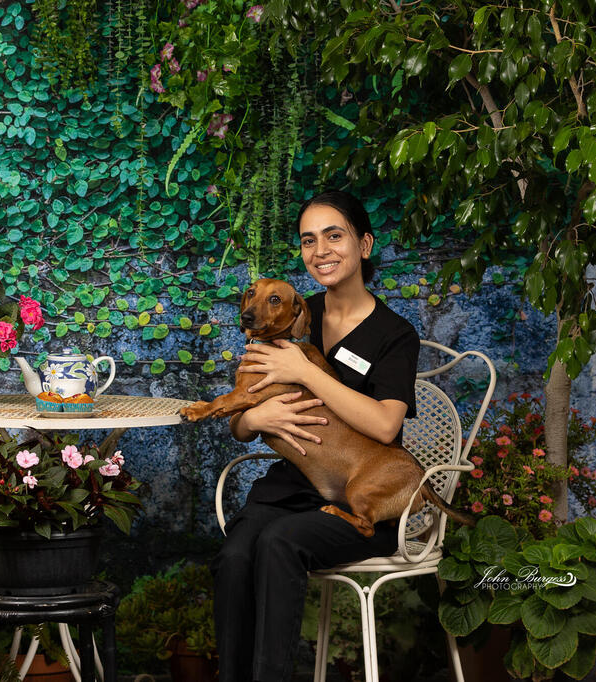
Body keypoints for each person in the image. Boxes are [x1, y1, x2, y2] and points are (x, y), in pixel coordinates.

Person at [212, 190, 420, 682]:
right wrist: (256, 421)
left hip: (359, 497)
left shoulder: (394, 334)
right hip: (293, 485)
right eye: (309, 240)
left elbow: (387, 425)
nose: (320, 250)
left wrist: (304, 372)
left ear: (364, 244)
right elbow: (241, 422)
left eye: (334, 235)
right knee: (235, 554)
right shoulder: (287, 310)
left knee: (280, 544)